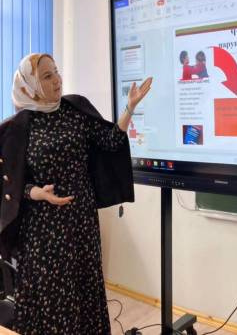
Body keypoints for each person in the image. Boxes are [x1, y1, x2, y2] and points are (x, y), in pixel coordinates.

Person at [0, 53, 152, 334]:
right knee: (53, 297)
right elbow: (8, 182)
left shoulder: (74, 110)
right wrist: (36, 192)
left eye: (56, 72)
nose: (57, 80)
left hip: (81, 223)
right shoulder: (19, 127)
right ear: (30, 85)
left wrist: (129, 108)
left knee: (84, 290)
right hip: (43, 230)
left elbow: (111, 140)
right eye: (47, 76)